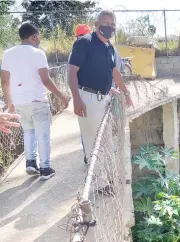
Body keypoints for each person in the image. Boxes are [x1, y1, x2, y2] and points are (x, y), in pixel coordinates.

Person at [68, 10, 133, 188]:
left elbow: (114, 72)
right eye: (105, 23)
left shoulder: (109, 47)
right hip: (88, 99)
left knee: (106, 140)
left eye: (112, 24)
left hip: (103, 97)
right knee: (94, 142)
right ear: (97, 24)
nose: (109, 27)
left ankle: (109, 177)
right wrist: (77, 99)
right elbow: (72, 71)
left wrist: (125, 92)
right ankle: (100, 184)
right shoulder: (84, 43)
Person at [1, 22, 69, 180]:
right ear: (33, 36)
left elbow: (4, 81)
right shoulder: (38, 53)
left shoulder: (8, 53)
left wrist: (10, 101)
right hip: (37, 100)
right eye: (37, 37)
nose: (38, 40)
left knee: (28, 131)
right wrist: (62, 96)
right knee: (42, 134)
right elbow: (45, 80)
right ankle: (45, 168)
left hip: (19, 102)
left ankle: (30, 162)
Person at [71, 24, 123, 164]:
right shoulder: (82, 46)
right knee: (96, 138)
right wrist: (76, 98)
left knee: (99, 138)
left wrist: (108, 88)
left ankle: (103, 173)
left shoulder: (106, 47)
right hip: (89, 96)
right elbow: (73, 74)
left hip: (101, 95)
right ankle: (100, 173)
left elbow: (107, 70)